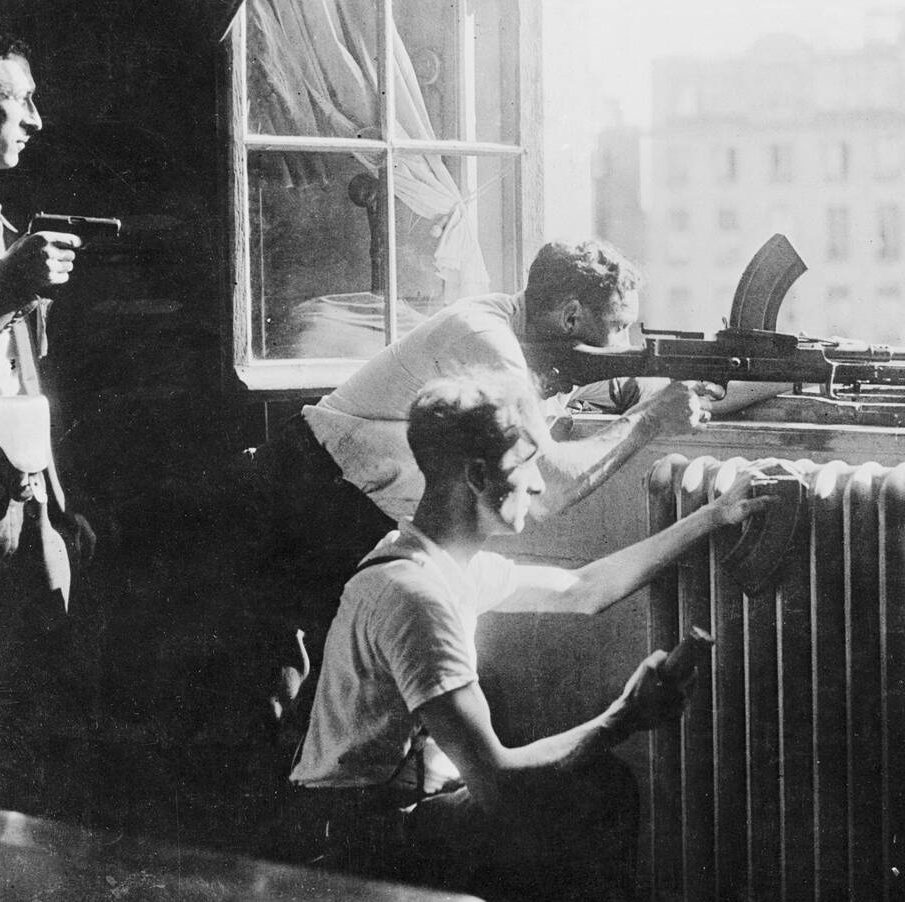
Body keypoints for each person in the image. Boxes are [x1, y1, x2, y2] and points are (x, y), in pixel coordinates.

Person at [285, 373, 776, 900]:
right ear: (477, 475)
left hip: (395, 813)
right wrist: (625, 717)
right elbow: (498, 785)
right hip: (359, 843)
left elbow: (583, 588)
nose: (540, 485)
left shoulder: (440, 563)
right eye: (529, 463)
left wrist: (711, 516)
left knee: (590, 785)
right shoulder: (414, 596)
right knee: (594, 790)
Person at [253, 239, 720, 717]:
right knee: (271, 699)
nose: (624, 345)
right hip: (299, 504)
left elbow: (635, 387)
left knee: (336, 709)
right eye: (619, 327)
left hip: (352, 512)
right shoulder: (483, 338)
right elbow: (548, 489)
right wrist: (649, 421)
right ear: (572, 316)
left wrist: (732, 374)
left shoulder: (546, 350)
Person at [0, 31, 89, 651]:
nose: (37, 120)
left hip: (20, 490)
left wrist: (54, 495)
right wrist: (9, 281)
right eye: (22, 101)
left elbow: (16, 375)